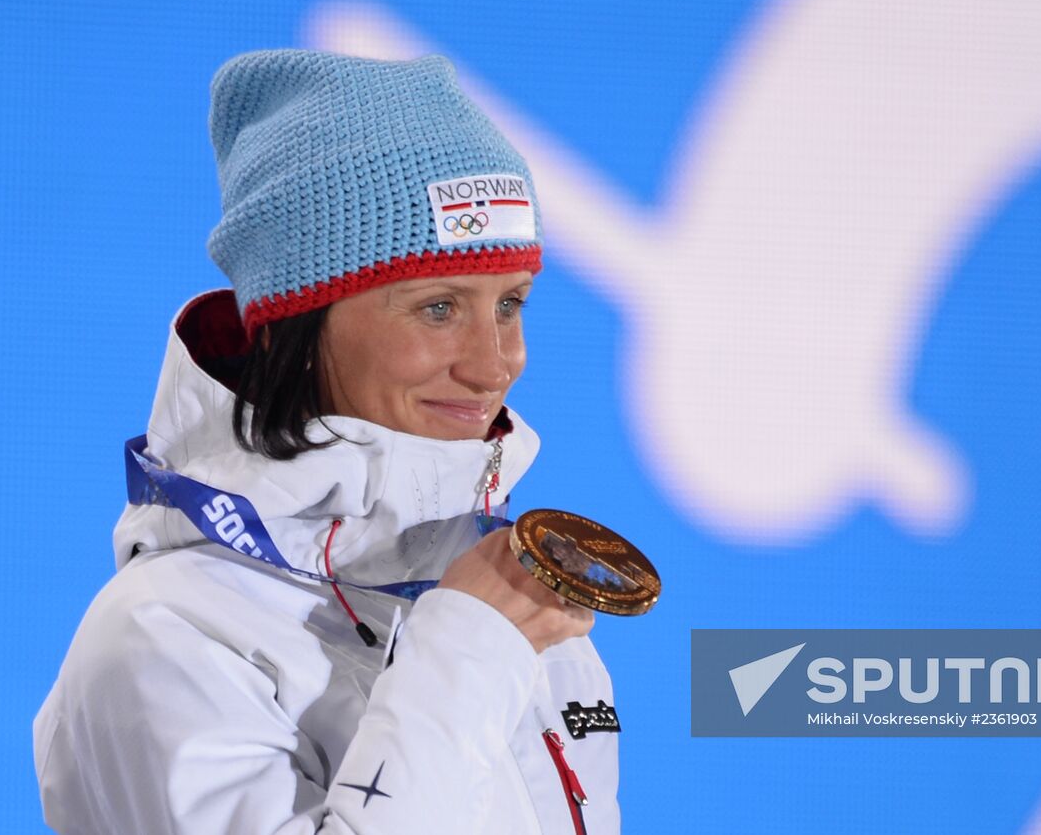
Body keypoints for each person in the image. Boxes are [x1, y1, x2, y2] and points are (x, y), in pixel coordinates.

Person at [34, 49, 619, 834]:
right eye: (439, 309)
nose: (497, 364)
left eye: (510, 304)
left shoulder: (507, 601)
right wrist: (469, 653)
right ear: (299, 328)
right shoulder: (165, 633)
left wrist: (478, 636)